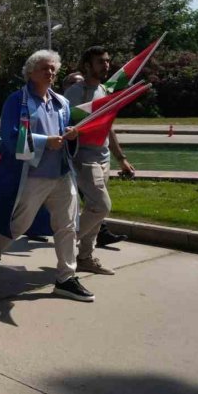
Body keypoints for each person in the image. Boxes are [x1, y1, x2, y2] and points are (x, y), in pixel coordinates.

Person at [0, 50, 95, 302]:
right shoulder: (17, 100)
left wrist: (71, 135)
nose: (50, 72)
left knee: (67, 225)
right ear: (30, 72)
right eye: (44, 68)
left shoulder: (61, 102)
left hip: (62, 173)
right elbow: (10, 137)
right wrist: (44, 141)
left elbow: (66, 134)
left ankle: (66, 277)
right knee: (18, 225)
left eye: (53, 68)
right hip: (32, 175)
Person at [64, 46, 134, 269]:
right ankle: (66, 240)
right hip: (84, 158)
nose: (106, 65)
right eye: (100, 62)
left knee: (94, 211)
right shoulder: (76, 92)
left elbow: (108, 128)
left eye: (107, 61)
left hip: (103, 158)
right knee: (101, 206)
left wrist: (121, 159)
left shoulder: (105, 90)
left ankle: (85, 257)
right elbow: (64, 123)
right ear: (87, 65)